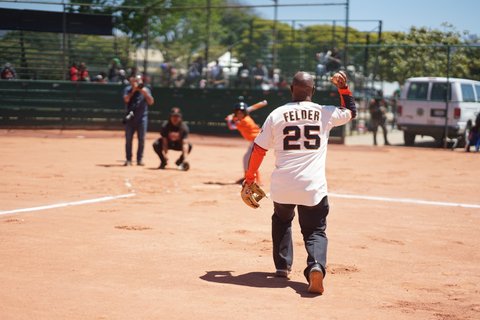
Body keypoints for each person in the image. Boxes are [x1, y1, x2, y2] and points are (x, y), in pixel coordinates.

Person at [242, 71, 357, 294]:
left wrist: (249, 178)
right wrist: (343, 89)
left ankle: (282, 266)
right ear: (313, 91)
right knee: (314, 230)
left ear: (291, 90)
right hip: (312, 187)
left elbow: (258, 150)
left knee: (282, 220)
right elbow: (351, 112)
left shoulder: (277, 114)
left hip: (283, 185)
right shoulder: (325, 112)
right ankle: (315, 266)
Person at [225, 99, 262, 184]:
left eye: (241, 113)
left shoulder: (245, 121)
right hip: (254, 141)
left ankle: (255, 179)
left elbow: (232, 126)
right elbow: (236, 120)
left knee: (249, 160)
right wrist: (231, 118)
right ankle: (248, 177)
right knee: (247, 159)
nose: (239, 114)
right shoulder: (243, 118)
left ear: (245, 113)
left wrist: (229, 120)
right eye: (238, 113)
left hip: (257, 141)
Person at [123, 75, 154, 166]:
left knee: (141, 139)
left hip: (142, 118)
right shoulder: (128, 89)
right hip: (130, 118)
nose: (137, 82)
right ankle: (128, 159)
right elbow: (126, 99)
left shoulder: (146, 90)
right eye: (135, 80)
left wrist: (143, 92)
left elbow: (151, 102)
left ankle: (139, 159)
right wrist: (133, 90)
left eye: (139, 80)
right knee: (128, 139)